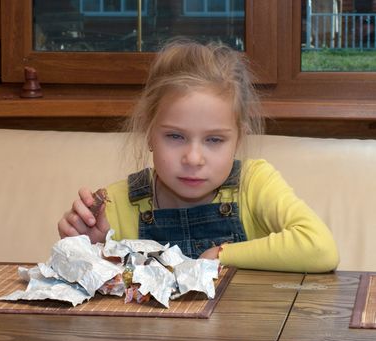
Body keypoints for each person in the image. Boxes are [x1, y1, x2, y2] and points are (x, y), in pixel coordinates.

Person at [58, 39, 339, 273]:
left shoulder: (255, 183)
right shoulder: (117, 203)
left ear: (237, 139)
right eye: (175, 136)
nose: (193, 158)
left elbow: (321, 248)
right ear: (149, 133)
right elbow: (100, 297)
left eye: (214, 140)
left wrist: (218, 255)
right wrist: (91, 249)